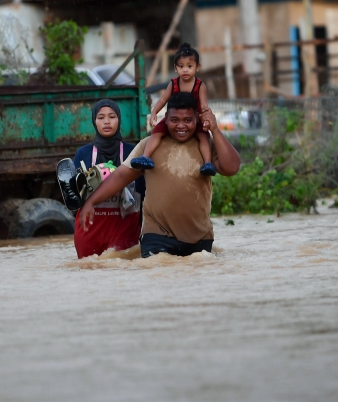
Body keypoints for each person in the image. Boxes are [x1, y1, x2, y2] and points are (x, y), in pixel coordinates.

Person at [80, 91, 241, 258]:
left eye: (187, 120)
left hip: (200, 237)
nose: (181, 126)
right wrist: (91, 201)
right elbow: (121, 177)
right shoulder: (148, 146)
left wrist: (214, 129)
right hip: (156, 235)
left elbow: (231, 168)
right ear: (165, 119)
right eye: (174, 120)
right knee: (157, 273)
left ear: (197, 120)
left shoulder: (205, 145)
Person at [70, 99, 144, 258]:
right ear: (94, 121)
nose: (107, 122)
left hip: (125, 230)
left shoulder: (134, 152)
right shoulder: (83, 154)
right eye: (101, 117)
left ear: (119, 119)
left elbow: (144, 194)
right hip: (90, 231)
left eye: (112, 116)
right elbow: (75, 195)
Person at [132, 43, 216, 176]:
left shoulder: (200, 86)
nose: (185, 70)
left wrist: (205, 120)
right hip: (173, 118)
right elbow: (162, 100)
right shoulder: (174, 83)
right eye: (181, 66)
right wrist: (154, 113)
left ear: (197, 67)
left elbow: (204, 106)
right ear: (175, 68)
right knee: (156, 133)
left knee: (204, 137)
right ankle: (145, 157)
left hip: (195, 118)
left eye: (189, 66)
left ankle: (207, 163)